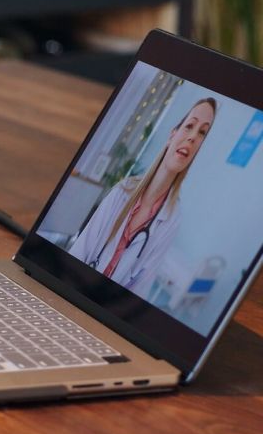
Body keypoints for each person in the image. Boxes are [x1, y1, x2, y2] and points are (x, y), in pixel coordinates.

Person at [68, 98, 218, 293]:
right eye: (189, 126)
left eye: (202, 133)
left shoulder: (172, 218)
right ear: (172, 135)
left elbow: (140, 288)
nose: (192, 137)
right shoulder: (124, 190)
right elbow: (79, 251)